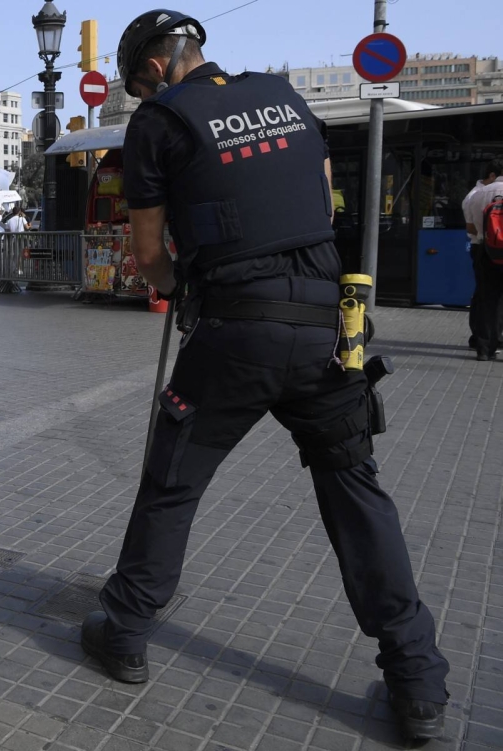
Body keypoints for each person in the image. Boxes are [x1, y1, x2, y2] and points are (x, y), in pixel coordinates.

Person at [81, 12, 450, 744]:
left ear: (152, 68)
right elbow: (320, 195)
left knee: (172, 480)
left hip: (236, 332)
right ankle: (417, 680)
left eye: (139, 86)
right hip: (326, 327)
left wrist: (179, 285)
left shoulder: (159, 120)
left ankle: (123, 629)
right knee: (356, 492)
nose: (143, 96)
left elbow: (149, 253)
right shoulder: (284, 95)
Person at [463, 163, 502, 357]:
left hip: (486, 251)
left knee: (487, 299)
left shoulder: (479, 194)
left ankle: (484, 349)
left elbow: (470, 227)